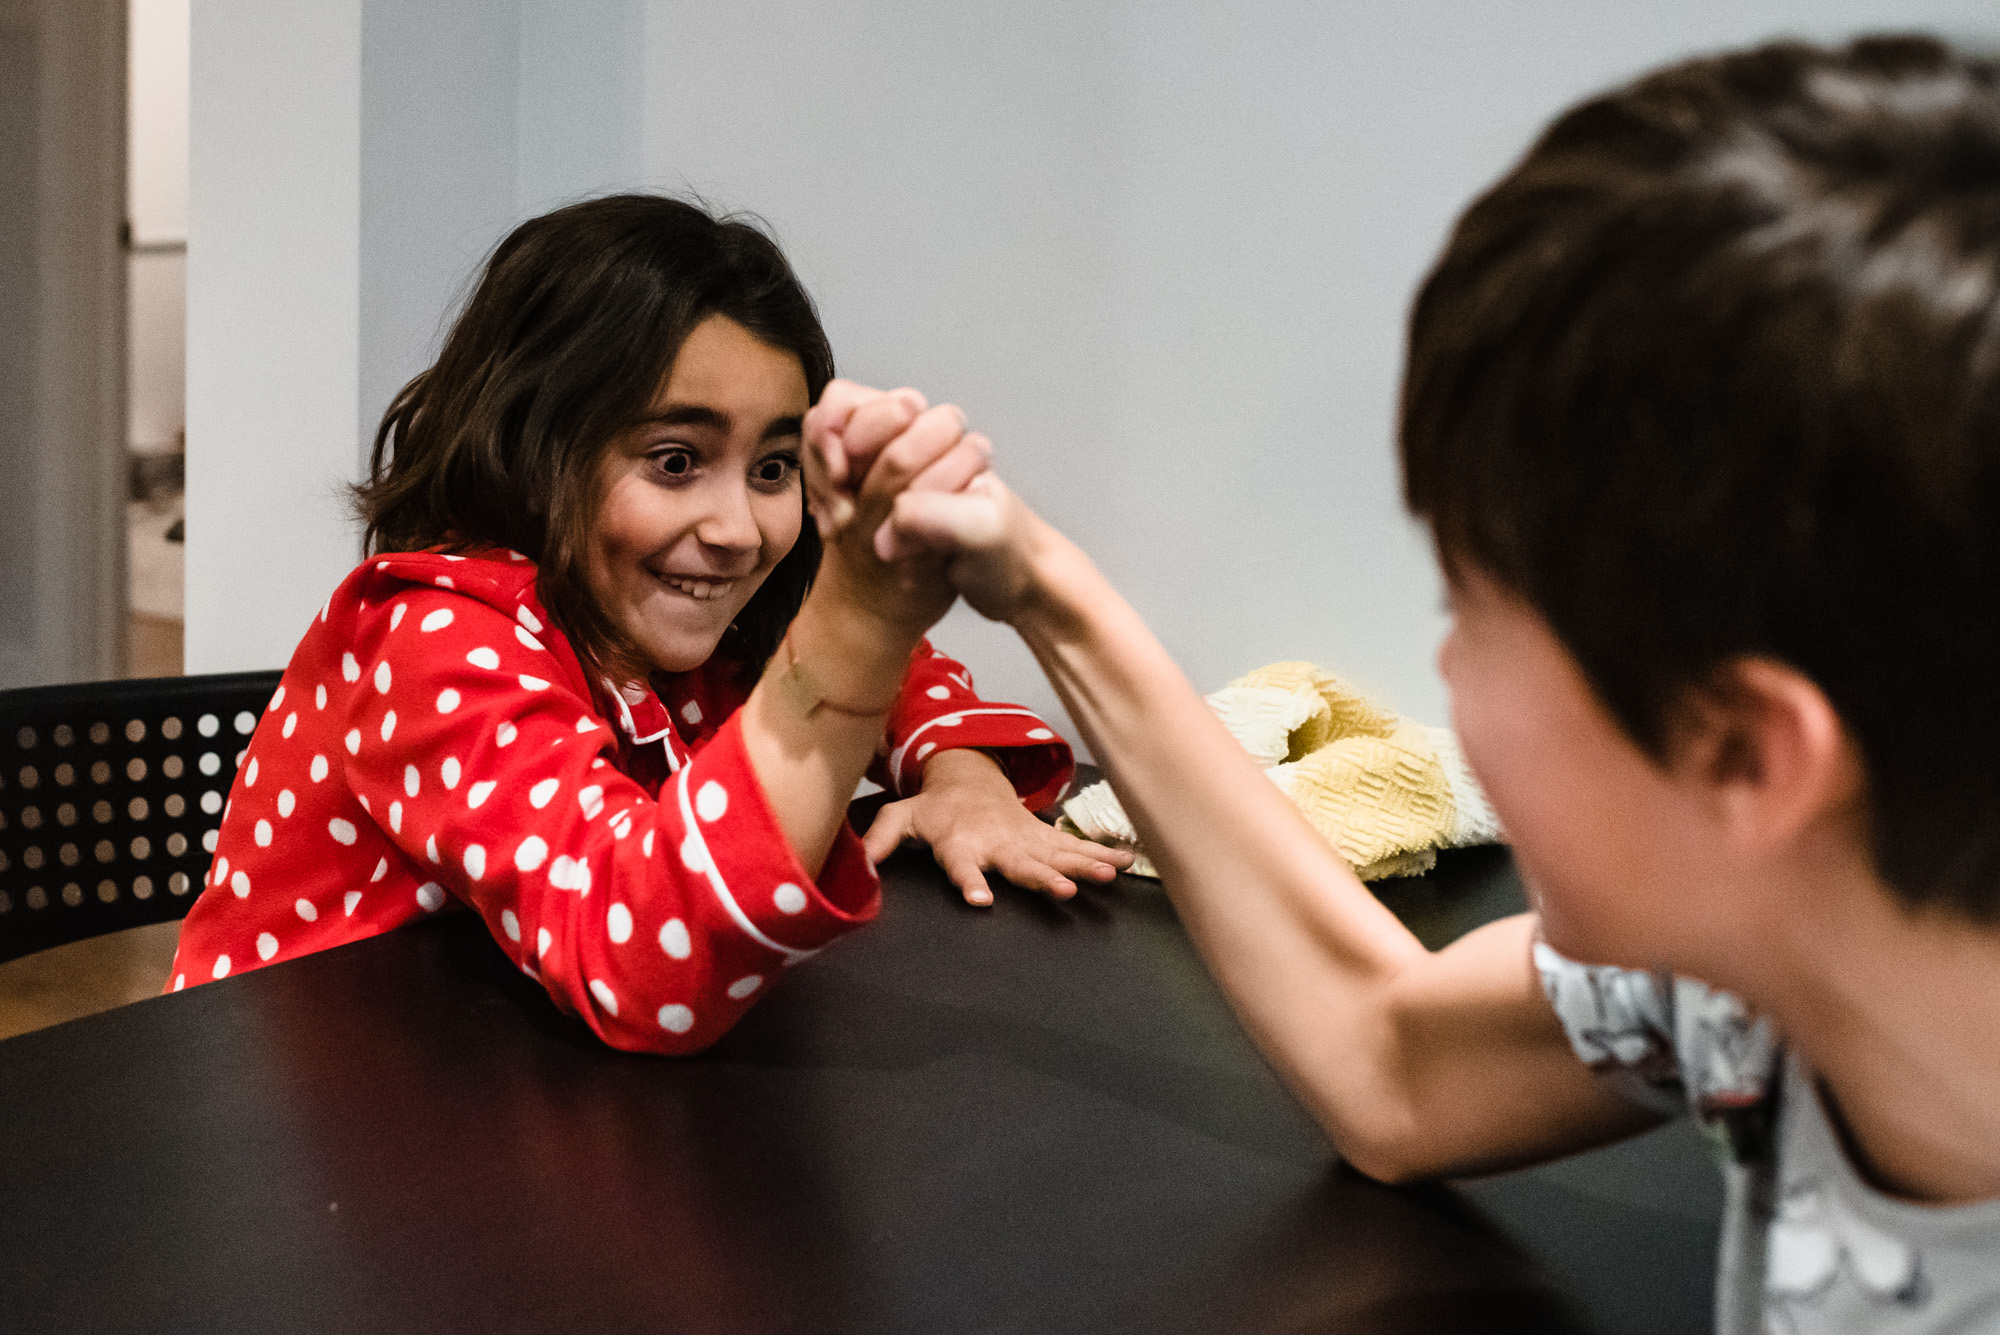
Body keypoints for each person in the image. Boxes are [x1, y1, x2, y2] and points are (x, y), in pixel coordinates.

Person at [811, 36, 2000, 1333]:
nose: (1443, 673)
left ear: (1749, 758)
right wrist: (1041, 581)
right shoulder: (1758, 961)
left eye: (1476, 619)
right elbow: (1389, 1058)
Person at [168, 195, 1127, 1053]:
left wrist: (959, 777)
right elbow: (642, 961)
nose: (739, 531)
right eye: (674, 460)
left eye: (773, 467)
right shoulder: (433, 635)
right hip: (311, 1136)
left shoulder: (700, 618)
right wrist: (851, 629)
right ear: (533, 445)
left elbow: (900, 668)